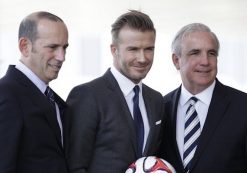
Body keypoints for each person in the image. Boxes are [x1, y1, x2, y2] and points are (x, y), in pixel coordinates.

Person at [65, 10, 165, 173]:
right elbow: (74, 166)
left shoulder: (156, 100)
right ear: (114, 50)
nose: (142, 58)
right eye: (133, 49)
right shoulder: (87, 96)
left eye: (149, 49)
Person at [158, 23, 247, 173]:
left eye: (211, 53)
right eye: (195, 53)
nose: (205, 61)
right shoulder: (160, 108)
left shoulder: (243, 107)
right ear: (176, 60)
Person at [0, 11, 69, 173]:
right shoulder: (6, 95)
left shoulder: (55, 101)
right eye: (52, 47)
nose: (62, 57)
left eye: (64, 47)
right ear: (25, 46)